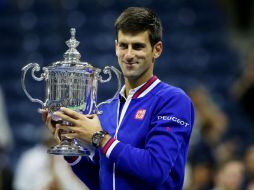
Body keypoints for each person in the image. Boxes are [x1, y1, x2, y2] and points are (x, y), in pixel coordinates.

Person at [42, 7, 195, 190]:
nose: (129, 55)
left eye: (138, 46)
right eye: (124, 45)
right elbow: (101, 182)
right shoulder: (107, 108)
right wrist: (70, 148)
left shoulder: (173, 101)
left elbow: (155, 169)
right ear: (116, 47)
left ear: (157, 50)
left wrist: (99, 138)